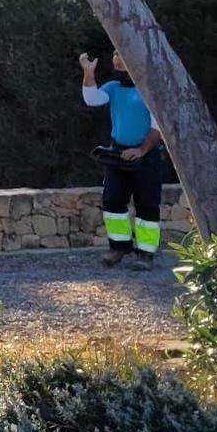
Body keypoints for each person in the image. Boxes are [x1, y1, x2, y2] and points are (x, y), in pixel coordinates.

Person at [78, 50, 164, 268]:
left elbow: (157, 126)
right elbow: (92, 98)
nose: (117, 58)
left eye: (122, 54)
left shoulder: (150, 90)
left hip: (146, 156)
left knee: (147, 205)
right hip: (117, 154)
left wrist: (142, 150)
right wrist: (88, 73)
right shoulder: (114, 87)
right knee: (112, 201)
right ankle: (118, 247)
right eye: (115, 53)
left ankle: (146, 254)